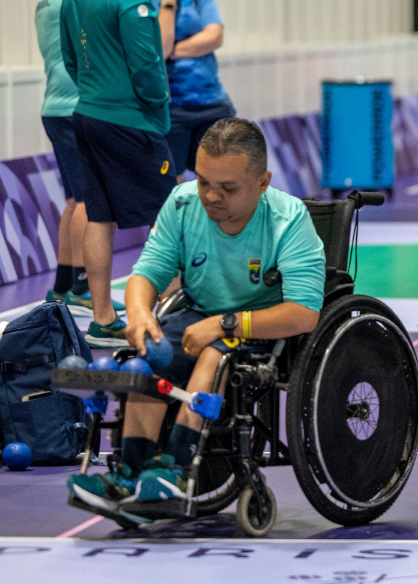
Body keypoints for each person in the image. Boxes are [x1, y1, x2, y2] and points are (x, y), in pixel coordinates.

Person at [67, 118, 326, 508]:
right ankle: (130, 473)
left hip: (262, 322)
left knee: (214, 353)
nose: (211, 195)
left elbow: (304, 313)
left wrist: (224, 325)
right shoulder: (183, 202)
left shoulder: (289, 220)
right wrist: (139, 313)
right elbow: (147, 272)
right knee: (150, 356)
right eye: (204, 181)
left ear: (263, 182)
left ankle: (175, 469)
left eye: (227, 188)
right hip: (196, 314)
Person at [60, 0, 177, 347]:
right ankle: (167, 322)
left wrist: (96, 91)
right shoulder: (131, 2)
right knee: (168, 216)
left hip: (88, 112)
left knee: (100, 217)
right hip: (131, 119)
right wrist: (158, 100)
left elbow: (70, 58)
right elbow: (147, 65)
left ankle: (102, 320)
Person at [36, 0, 107, 315]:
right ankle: (82, 286)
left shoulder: (44, 5)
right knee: (85, 201)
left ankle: (63, 283)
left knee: (73, 199)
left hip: (54, 108)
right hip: (74, 108)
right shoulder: (70, 5)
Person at [158, 0, 237, 184]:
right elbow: (161, 48)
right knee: (172, 182)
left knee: (221, 178)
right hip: (172, 105)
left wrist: (173, 50)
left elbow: (215, 36)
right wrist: (168, 5)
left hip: (212, 100)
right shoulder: (145, 5)